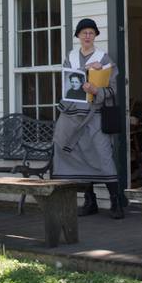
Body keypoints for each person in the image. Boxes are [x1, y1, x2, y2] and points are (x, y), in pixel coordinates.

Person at [52, 18, 124, 219]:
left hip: (95, 117)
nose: (87, 36)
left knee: (103, 156)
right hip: (74, 116)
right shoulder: (71, 57)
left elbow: (112, 90)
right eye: (83, 33)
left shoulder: (104, 59)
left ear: (95, 36)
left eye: (91, 33)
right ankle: (89, 200)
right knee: (79, 155)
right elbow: (67, 83)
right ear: (78, 35)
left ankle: (115, 202)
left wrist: (96, 89)